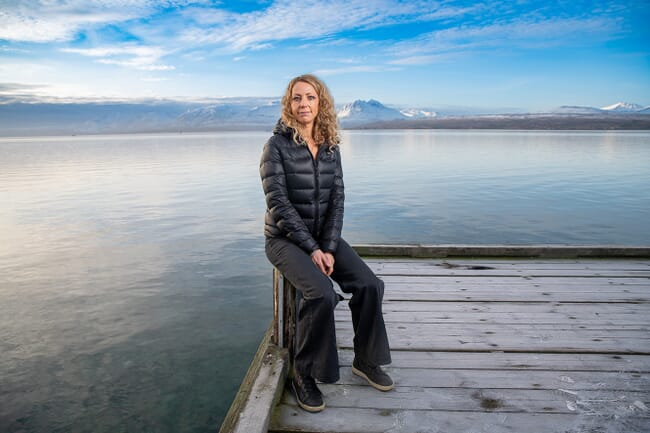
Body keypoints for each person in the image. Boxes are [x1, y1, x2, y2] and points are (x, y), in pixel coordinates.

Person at [260, 74, 393, 413]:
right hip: (284, 240)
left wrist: (329, 247)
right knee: (320, 293)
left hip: (324, 238)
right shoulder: (275, 147)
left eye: (310, 98)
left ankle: (365, 360)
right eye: (296, 99)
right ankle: (303, 374)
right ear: (288, 105)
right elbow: (279, 204)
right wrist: (313, 249)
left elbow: (338, 200)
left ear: (322, 103)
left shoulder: (331, 145)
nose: (303, 104)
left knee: (369, 284)